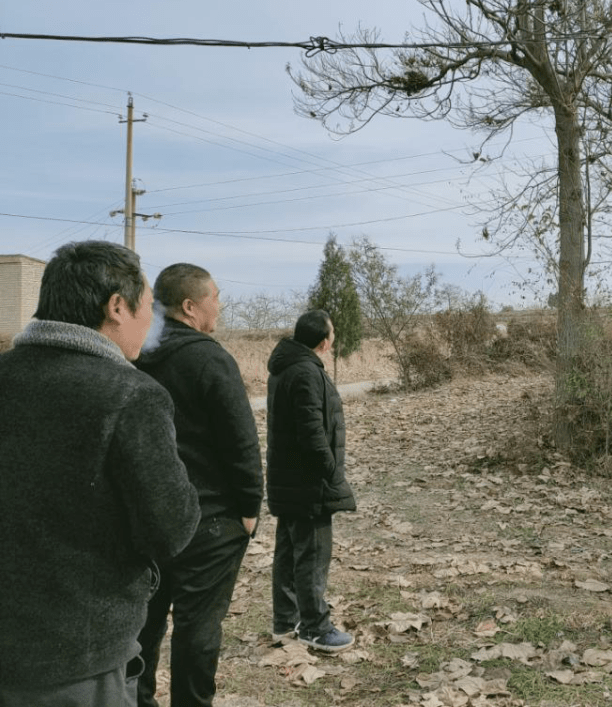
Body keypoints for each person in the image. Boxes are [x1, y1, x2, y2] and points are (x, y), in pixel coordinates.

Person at [0, 241, 199, 707]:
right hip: (76, 661)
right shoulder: (131, 395)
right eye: (147, 308)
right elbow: (171, 529)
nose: (150, 323)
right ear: (116, 307)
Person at [134, 264, 264, 707]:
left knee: (144, 625)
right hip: (209, 522)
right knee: (197, 629)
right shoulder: (210, 358)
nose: (220, 305)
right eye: (215, 297)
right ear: (190, 307)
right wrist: (249, 509)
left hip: (149, 516)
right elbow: (241, 441)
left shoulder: (135, 356)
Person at [266, 310, 357, 652]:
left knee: (289, 553)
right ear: (324, 341)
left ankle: (284, 623)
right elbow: (312, 433)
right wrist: (331, 472)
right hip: (308, 484)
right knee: (312, 556)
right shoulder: (305, 372)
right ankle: (315, 628)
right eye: (332, 335)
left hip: (290, 481)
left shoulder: (287, 367)